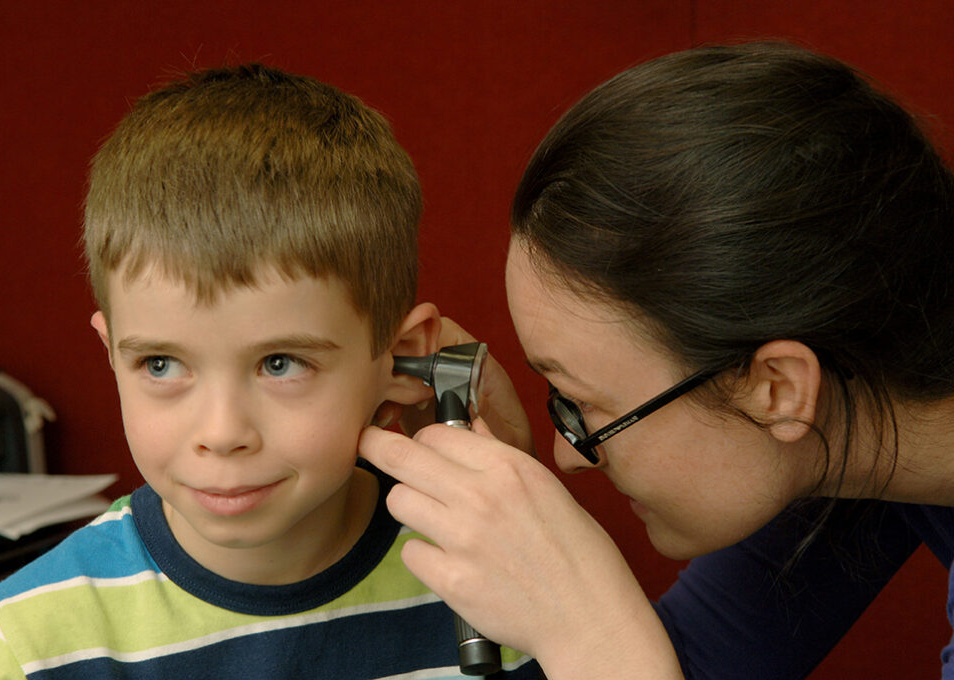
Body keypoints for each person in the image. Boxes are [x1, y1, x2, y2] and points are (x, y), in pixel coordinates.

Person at [360, 41, 954, 679]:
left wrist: (580, 621)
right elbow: (687, 664)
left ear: (778, 388)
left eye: (584, 403)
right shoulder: (856, 428)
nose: (567, 455)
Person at [0, 64, 541, 679]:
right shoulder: (31, 640)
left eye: (280, 364)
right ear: (111, 354)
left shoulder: (497, 585)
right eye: (160, 363)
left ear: (401, 359)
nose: (222, 431)